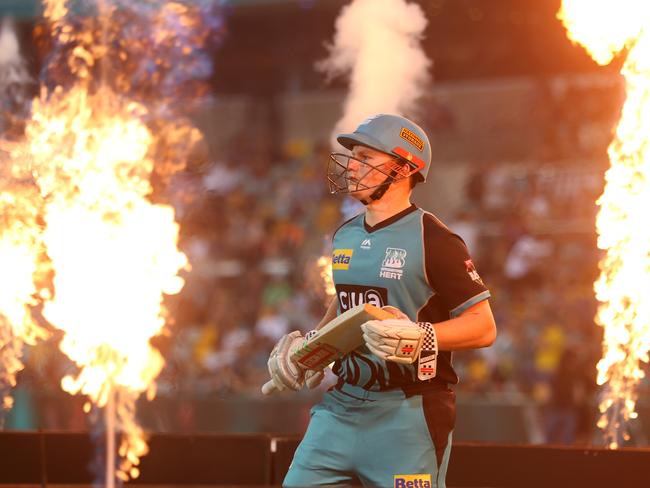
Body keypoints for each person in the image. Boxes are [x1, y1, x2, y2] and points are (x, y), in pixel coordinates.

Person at [263, 114, 496, 488]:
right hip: (340, 407)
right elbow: (343, 305)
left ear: (404, 168)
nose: (352, 165)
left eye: (366, 158)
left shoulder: (435, 239)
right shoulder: (345, 235)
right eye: (353, 155)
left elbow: (484, 326)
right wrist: (313, 348)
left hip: (408, 413)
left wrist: (423, 335)